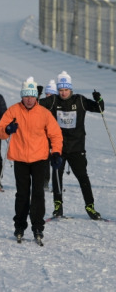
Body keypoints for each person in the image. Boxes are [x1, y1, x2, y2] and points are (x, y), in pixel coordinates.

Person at [0, 77, 63, 242]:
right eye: (26, 96)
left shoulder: (44, 113)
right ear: (22, 96)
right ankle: (19, 226)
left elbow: (55, 134)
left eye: (32, 96)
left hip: (40, 159)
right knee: (22, 194)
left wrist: (56, 152)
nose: (29, 99)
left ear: (36, 97)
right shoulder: (14, 111)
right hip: (20, 159)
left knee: (38, 194)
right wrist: (8, 129)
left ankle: (38, 227)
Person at [39, 71, 104, 220]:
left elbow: (99, 108)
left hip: (77, 147)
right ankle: (58, 206)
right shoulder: (54, 101)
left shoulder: (79, 100)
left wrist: (98, 98)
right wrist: (37, 94)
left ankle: (90, 207)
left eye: (66, 90)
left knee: (83, 178)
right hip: (58, 147)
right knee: (57, 177)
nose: (63, 93)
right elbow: (36, 106)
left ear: (70, 89)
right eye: (60, 90)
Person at [38, 79, 58, 189]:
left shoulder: (58, 105)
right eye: (47, 94)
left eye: (50, 94)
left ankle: (56, 183)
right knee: (45, 159)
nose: (48, 96)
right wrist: (38, 94)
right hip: (44, 136)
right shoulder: (43, 105)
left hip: (55, 136)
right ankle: (45, 181)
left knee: (56, 159)